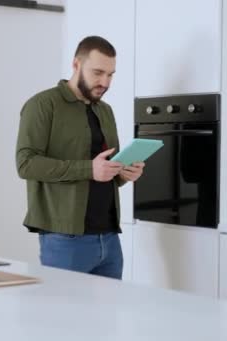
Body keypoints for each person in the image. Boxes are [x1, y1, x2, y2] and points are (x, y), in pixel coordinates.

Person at [15, 36, 145, 279]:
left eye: (110, 74)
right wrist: (89, 169)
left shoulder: (105, 110)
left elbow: (105, 170)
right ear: (76, 65)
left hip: (109, 238)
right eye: (98, 72)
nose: (105, 82)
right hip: (65, 240)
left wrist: (124, 173)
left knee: (108, 317)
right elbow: (25, 163)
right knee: (63, 316)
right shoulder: (43, 104)